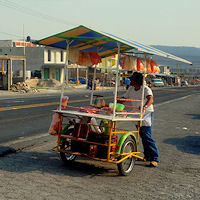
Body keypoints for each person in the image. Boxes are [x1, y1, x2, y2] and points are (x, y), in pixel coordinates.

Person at [121, 72, 159, 167]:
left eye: (131, 79)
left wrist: (145, 106)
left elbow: (151, 99)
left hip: (146, 114)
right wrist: (115, 101)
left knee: (147, 136)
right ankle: (147, 156)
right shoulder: (131, 89)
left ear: (136, 81)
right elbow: (124, 98)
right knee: (142, 135)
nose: (130, 81)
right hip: (136, 114)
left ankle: (155, 158)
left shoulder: (145, 89)